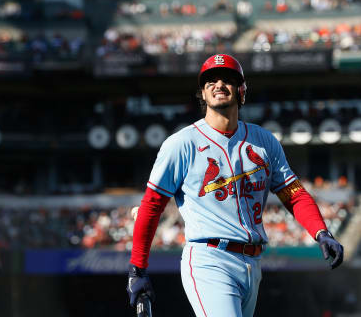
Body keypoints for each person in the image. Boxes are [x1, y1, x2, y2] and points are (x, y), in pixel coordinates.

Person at [127, 54, 344, 317]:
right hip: (210, 258)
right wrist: (137, 269)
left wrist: (321, 232)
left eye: (228, 79)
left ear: (241, 91)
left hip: (252, 263)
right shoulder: (181, 144)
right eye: (210, 81)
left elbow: (293, 194)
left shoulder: (263, 141)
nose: (218, 84)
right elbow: (151, 205)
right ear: (203, 93)